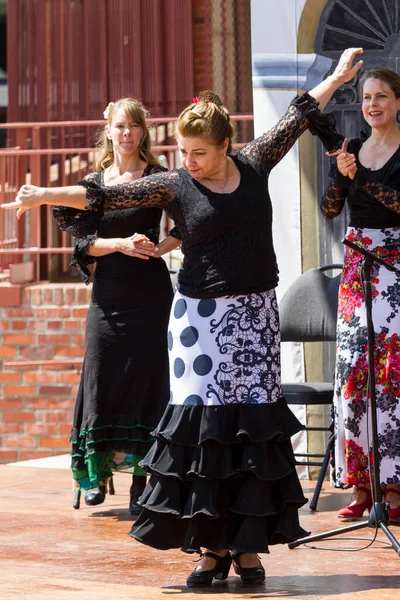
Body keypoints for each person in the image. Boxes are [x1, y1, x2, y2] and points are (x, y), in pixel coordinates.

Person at [2, 48, 363, 587]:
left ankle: (247, 550)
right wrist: (41, 195)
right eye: (182, 152)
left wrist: (336, 77)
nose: (188, 161)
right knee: (203, 437)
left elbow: (298, 111)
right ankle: (210, 549)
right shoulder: (174, 184)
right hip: (198, 323)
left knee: (249, 435)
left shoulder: (255, 162)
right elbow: (104, 192)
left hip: (254, 316)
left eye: (198, 152)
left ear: (224, 146)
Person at [52, 97, 181, 512]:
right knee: (101, 376)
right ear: (108, 130)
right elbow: (84, 244)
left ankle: (142, 481)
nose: (126, 133)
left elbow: (188, 222)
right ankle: (96, 474)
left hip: (150, 294)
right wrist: (123, 244)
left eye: (133, 126)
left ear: (143, 132)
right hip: (108, 295)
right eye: (119, 126)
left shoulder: (160, 177)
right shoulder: (93, 185)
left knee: (148, 381)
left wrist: (160, 248)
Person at [321, 68, 400, 522]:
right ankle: (363, 483)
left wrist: (363, 180)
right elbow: (331, 209)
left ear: (396, 102)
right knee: (355, 369)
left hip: (394, 266)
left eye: (382, 97)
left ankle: (395, 487)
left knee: (390, 371)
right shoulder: (349, 148)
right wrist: (339, 174)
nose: (373, 105)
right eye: (367, 97)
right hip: (357, 267)